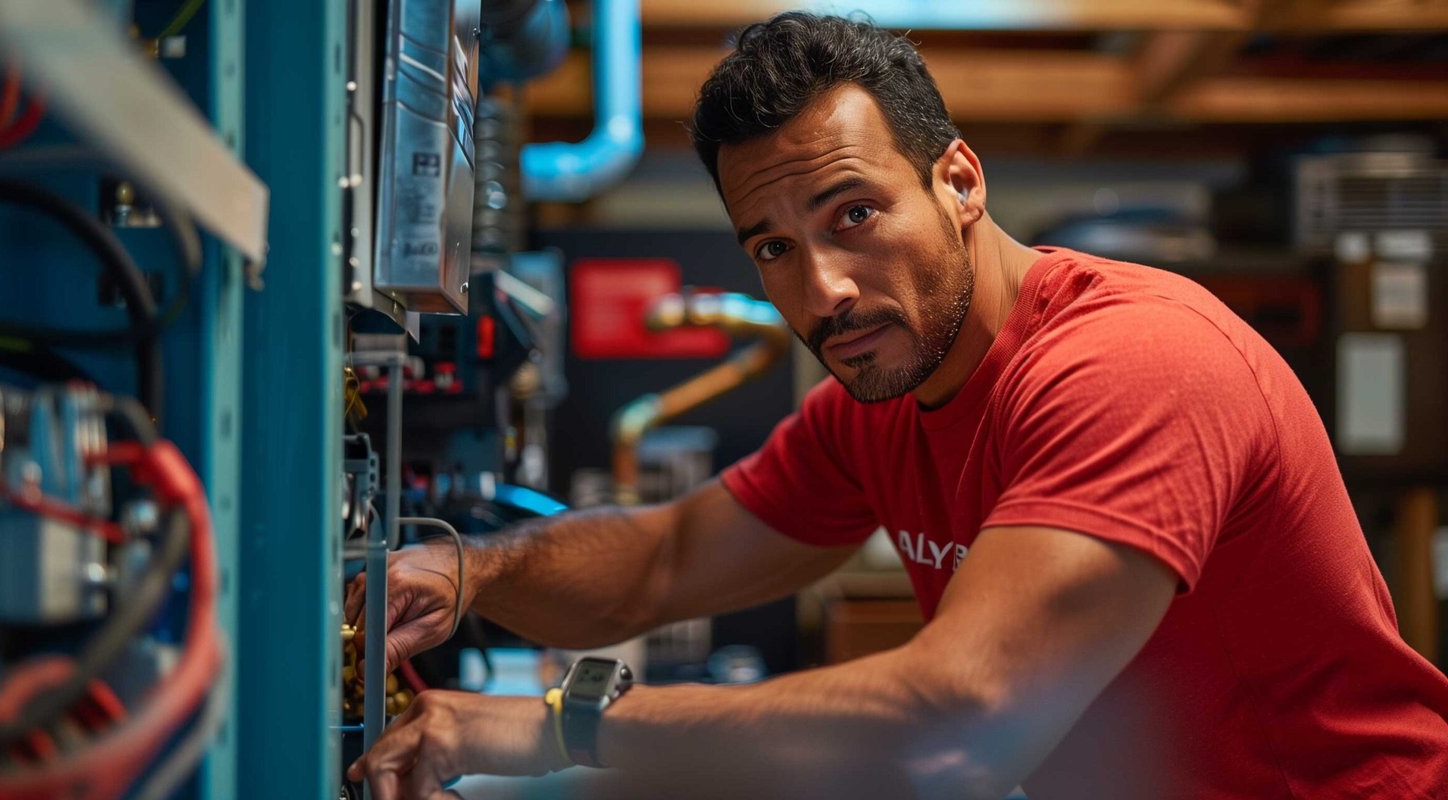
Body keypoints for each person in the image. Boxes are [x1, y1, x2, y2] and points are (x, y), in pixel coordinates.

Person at [345, 12, 1448, 799]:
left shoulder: (1133, 364)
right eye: (774, 246)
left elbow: (959, 724)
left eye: (853, 213)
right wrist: (472, 568)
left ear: (959, 181)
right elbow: (665, 557)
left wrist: (552, 728)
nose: (820, 287)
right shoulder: (885, 392)